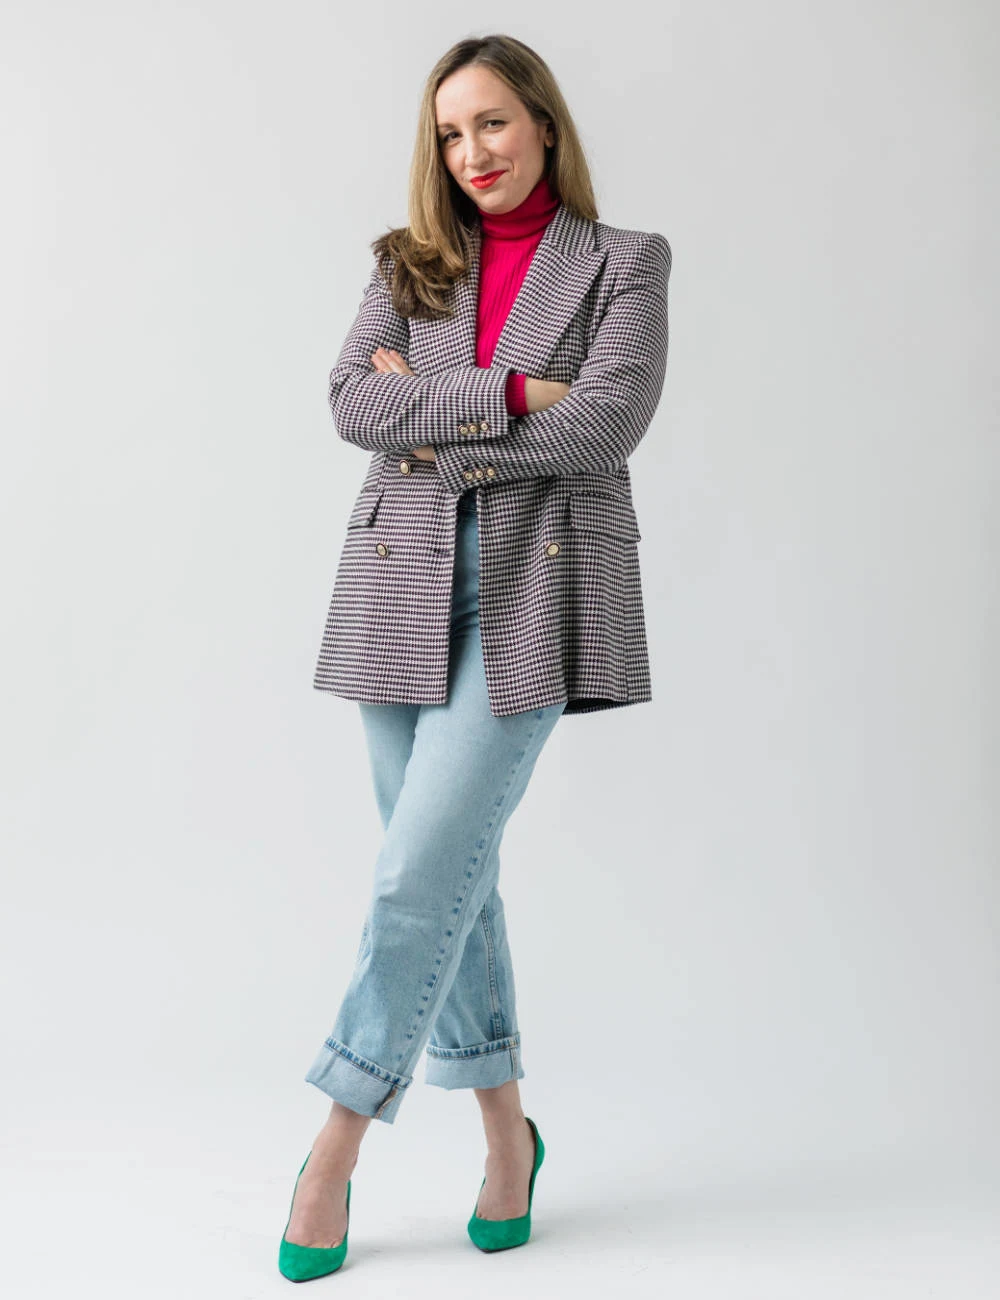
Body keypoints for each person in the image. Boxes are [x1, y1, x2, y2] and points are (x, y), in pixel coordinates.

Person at [278, 32, 671, 1280]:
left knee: (414, 875)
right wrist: (519, 397)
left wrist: (437, 411)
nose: (472, 154)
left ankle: (332, 1145)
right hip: (397, 588)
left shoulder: (625, 263)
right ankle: (510, 1136)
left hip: (534, 595)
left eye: (492, 124)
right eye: (450, 134)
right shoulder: (410, 263)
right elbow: (350, 403)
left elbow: (608, 422)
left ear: (544, 124)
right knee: (448, 873)